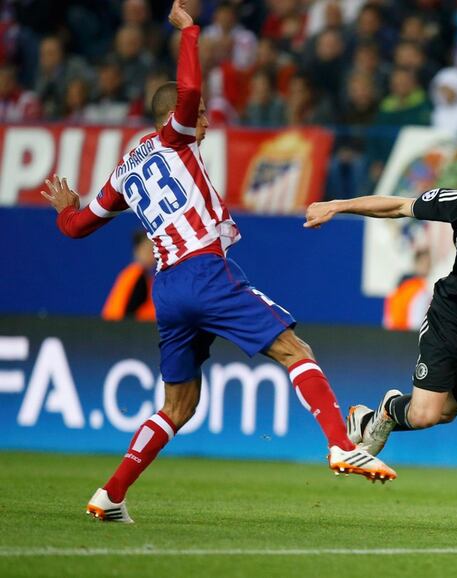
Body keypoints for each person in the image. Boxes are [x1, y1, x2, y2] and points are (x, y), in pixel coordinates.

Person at [39, 1, 394, 525]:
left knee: (177, 408)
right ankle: (340, 444)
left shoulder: (122, 171)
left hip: (167, 289)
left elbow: (76, 227)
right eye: (200, 116)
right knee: (295, 349)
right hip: (205, 270)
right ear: (173, 119)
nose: (203, 121)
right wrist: (190, 32)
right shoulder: (173, 137)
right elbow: (187, 93)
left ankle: (110, 495)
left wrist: (66, 207)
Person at [304, 150, 457, 456]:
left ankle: (377, 415)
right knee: (425, 414)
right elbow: (398, 206)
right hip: (451, 315)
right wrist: (338, 205)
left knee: (445, 413)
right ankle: (385, 413)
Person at [101, 231, 156, 322]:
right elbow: (127, 312)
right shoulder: (138, 275)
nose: (152, 254)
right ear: (137, 250)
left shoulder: (134, 274)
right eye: (148, 250)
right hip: (125, 332)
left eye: (153, 250)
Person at [383, 249, 432, 331]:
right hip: (407, 338)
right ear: (416, 264)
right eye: (423, 263)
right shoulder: (418, 291)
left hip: (394, 337)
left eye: (428, 263)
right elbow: (416, 324)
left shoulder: (400, 288)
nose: (427, 266)